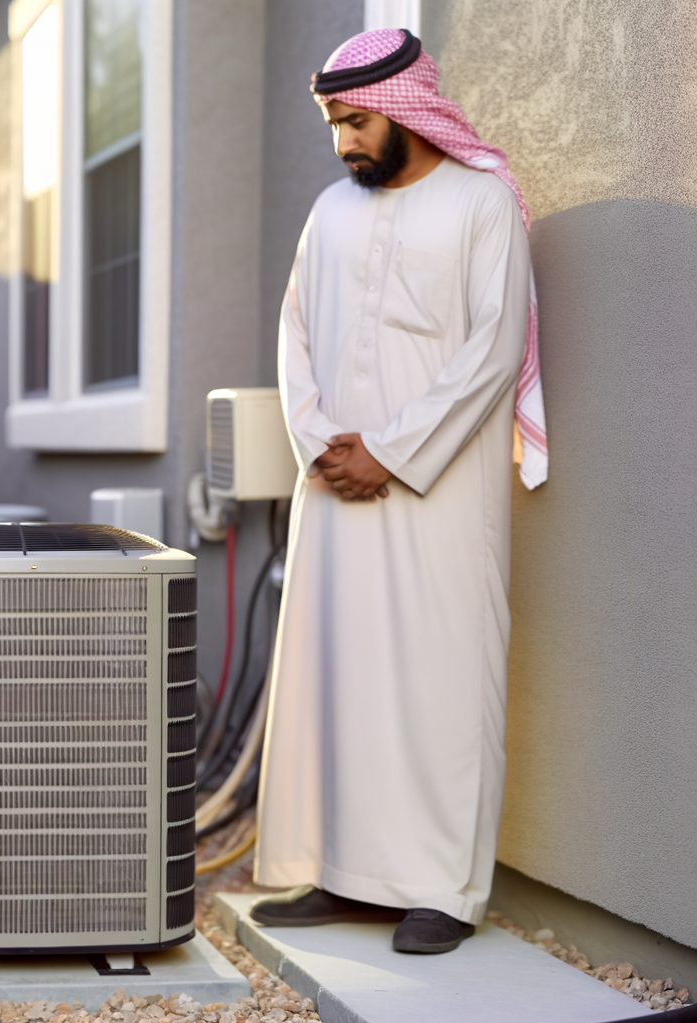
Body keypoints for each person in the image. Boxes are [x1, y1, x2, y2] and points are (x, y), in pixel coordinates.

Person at [251, 29, 547, 955]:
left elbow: (493, 350)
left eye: (356, 121)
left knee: (440, 679)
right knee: (339, 676)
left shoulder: (482, 203)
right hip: (333, 485)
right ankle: (343, 873)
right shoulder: (328, 213)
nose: (344, 141)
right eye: (334, 125)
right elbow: (295, 338)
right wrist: (320, 446)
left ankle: (441, 891)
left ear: (406, 109)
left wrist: (389, 452)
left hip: (439, 492)